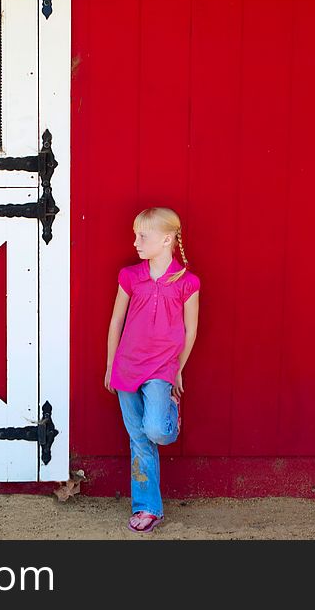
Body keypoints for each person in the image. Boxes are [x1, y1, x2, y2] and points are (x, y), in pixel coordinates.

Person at [104, 207, 200, 533]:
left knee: (157, 430)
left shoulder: (187, 283)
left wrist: (177, 370)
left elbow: (190, 332)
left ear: (167, 239)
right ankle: (148, 508)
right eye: (135, 235)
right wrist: (110, 365)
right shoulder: (130, 277)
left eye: (142, 236)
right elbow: (116, 321)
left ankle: (170, 414)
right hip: (127, 367)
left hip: (161, 368)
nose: (135, 242)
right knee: (138, 439)